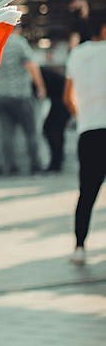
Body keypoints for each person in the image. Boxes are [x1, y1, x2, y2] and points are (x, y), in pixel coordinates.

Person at [64, 13, 106, 264]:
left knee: (87, 193)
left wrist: (83, 119)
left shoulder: (77, 55)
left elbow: (68, 98)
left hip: (89, 131)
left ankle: (79, 247)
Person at [0, 24, 46, 175]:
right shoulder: (19, 42)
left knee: (7, 133)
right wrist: (40, 87)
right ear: (17, 29)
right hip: (20, 94)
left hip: (0, 95)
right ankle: (35, 166)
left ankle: (10, 167)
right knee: (30, 131)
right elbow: (31, 66)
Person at [40, 61, 71, 173]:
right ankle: (57, 161)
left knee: (52, 130)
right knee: (52, 130)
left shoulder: (38, 74)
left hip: (64, 101)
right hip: (62, 100)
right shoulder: (41, 72)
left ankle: (56, 163)